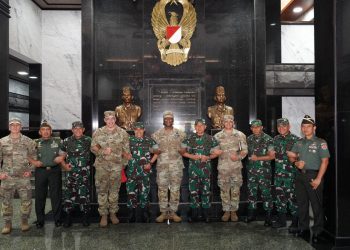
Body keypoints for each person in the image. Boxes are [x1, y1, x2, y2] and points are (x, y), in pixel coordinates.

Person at [288, 115, 330, 243]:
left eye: (308, 126)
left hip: (313, 176)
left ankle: (318, 231)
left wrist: (318, 179)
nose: (305, 129)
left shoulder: (320, 142)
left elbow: (325, 161)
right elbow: (292, 157)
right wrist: (296, 162)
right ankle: (304, 228)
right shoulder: (299, 142)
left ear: (314, 128)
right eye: (303, 126)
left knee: (316, 205)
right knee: (302, 204)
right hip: (300, 176)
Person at [91, 111, 131, 227]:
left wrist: (123, 165)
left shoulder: (122, 133)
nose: (110, 121)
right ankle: (103, 215)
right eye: (108, 119)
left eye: (112, 119)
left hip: (116, 168)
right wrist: (102, 151)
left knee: (114, 191)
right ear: (104, 120)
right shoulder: (98, 132)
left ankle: (113, 213)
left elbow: (126, 152)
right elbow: (93, 148)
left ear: (115, 119)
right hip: (101, 167)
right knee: (102, 191)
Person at [0, 118, 36, 234]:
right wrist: (0, 173)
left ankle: (24, 221)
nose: (15, 127)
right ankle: (7, 223)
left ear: (21, 127)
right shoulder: (2, 141)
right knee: (6, 201)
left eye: (17, 125)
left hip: (23, 177)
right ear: (9, 127)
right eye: (12, 125)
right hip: (7, 178)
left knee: (26, 200)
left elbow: (34, 157)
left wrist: (30, 170)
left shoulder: (28, 141)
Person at [180, 118, 220, 222]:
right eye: (197, 125)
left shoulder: (211, 139)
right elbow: (182, 151)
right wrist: (192, 156)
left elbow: (217, 152)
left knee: (206, 191)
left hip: (206, 170)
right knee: (193, 192)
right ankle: (194, 215)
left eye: (201, 125)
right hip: (193, 169)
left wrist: (209, 157)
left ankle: (206, 215)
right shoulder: (189, 138)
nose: (199, 127)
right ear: (195, 127)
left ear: (205, 127)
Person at [151, 111, 186, 223]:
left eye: (170, 119)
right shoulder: (156, 134)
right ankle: (163, 212)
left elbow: (185, 148)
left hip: (176, 166)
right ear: (163, 120)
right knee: (162, 190)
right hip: (162, 167)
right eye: (166, 119)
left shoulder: (181, 134)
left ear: (173, 120)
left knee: (175, 189)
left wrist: (184, 150)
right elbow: (152, 148)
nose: (168, 121)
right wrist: (154, 150)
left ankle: (173, 212)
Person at [214, 115, 248, 222]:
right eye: (226, 122)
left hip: (235, 167)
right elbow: (213, 150)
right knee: (224, 189)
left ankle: (233, 211)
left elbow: (245, 150)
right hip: (223, 168)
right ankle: (226, 211)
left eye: (230, 121)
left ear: (233, 122)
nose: (228, 123)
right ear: (223, 123)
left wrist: (238, 157)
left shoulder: (240, 135)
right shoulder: (217, 136)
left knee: (235, 190)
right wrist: (215, 152)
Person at [32, 120, 64, 228]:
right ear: (40, 132)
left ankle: (58, 219)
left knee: (56, 196)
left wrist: (62, 157)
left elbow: (65, 151)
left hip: (54, 171)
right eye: (43, 130)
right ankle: (40, 220)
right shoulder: (35, 142)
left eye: (48, 130)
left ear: (51, 131)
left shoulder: (58, 141)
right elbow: (27, 155)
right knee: (40, 196)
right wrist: (34, 162)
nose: (45, 132)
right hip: (41, 171)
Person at [59, 121, 92, 227]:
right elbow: (61, 155)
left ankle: (85, 217)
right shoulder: (66, 141)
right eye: (75, 129)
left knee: (84, 194)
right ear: (72, 130)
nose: (78, 130)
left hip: (84, 173)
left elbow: (97, 150)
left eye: (80, 128)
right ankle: (68, 217)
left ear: (83, 130)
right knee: (69, 194)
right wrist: (64, 165)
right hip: (71, 173)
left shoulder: (88, 140)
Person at [126, 122, 159, 222]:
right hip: (132, 171)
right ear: (134, 130)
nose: (138, 131)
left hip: (145, 172)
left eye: (140, 129)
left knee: (144, 193)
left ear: (144, 130)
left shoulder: (149, 140)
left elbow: (157, 152)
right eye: (136, 129)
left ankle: (145, 213)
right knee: (131, 193)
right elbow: (121, 150)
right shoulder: (129, 140)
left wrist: (151, 163)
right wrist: (125, 155)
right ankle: (131, 214)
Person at [272, 118, 299, 232]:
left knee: (292, 199)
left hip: (291, 175)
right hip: (278, 174)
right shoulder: (275, 139)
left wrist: (295, 155)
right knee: (279, 198)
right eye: (279, 127)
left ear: (289, 127)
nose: (281, 128)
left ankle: (295, 222)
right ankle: (282, 221)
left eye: (284, 126)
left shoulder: (296, 140)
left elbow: (302, 157)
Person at [245, 119, 274, 226]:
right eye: (253, 127)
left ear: (261, 127)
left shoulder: (268, 139)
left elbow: (272, 156)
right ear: (251, 128)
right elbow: (244, 152)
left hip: (264, 172)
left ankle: (268, 217)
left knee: (266, 194)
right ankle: (251, 215)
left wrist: (258, 158)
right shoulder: (249, 139)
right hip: (251, 171)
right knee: (251, 193)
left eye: (258, 127)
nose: (255, 129)